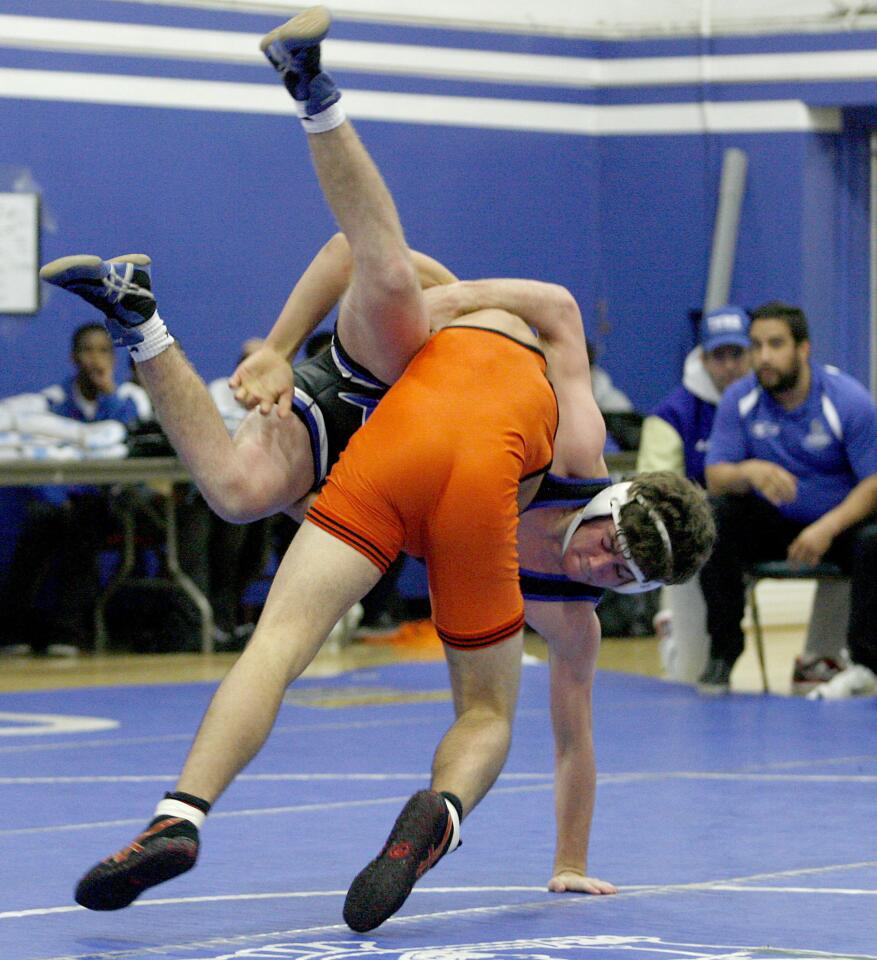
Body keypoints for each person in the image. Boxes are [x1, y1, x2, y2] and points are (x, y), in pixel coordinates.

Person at [41, 5, 714, 929]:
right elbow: (534, 299)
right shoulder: (578, 450)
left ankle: (138, 321)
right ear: (610, 498)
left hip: (388, 462)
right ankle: (311, 86)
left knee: (242, 506)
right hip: (389, 371)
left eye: (620, 573)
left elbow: (573, 740)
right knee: (396, 280)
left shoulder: (573, 616)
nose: (598, 564)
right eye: (608, 542)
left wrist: (568, 861)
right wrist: (298, 343)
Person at [698, 300, 877, 698]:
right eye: (756, 346)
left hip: (838, 528)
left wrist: (827, 528)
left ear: (803, 349)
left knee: (874, 539)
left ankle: (865, 663)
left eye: (775, 344)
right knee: (715, 517)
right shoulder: (740, 400)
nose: (764, 357)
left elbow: (874, 483)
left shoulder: (847, 400)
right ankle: (724, 653)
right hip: (775, 524)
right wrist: (749, 472)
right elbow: (715, 475)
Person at [1, 323, 150, 655]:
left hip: (106, 504)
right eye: (87, 350)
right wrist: (58, 497)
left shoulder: (125, 399)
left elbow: (130, 445)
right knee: (38, 522)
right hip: (60, 501)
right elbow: (39, 452)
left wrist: (108, 392)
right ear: (73, 357)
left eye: (103, 351)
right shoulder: (54, 401)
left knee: (86, 524)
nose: (95, 359)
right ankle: (13, 631)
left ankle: (68, 633)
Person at [638, 306, 751, 681]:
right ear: (703, 359)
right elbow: (653, 497)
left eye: (738, 354)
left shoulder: (768, 403)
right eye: (720, 356)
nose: (730, 365)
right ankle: (680, 643)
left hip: (757, 532)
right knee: (689, 675)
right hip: (699, 547)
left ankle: (821, 660)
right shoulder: (671, 416)